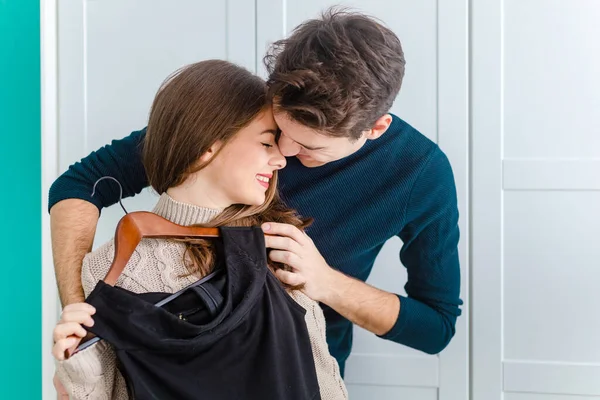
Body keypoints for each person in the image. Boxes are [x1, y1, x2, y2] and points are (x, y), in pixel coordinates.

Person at [49, 9, 463, 377]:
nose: (284, 154)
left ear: (375, 129)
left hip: (298, 373)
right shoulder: (239, 119)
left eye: (310, 148)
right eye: (276, 133)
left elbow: (435, 327)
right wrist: (80, 308)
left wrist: (326, 283)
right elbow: (80, 185)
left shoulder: (420, 175)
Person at [51, 59, 347, 399]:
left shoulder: (280, 247)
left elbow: (322, 379)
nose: (281, 160)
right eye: (267, 143)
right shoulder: (109, 269)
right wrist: (83, 368)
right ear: (207, 147)